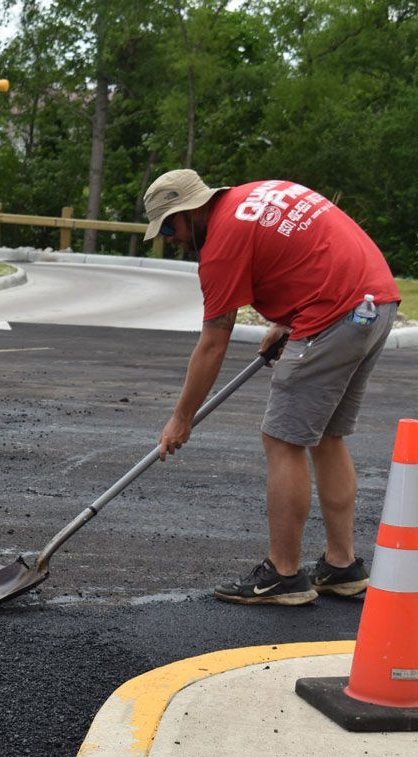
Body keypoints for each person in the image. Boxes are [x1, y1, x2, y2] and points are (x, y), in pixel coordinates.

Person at [143, 170, 401, 605]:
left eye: (170, 226)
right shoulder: (258, 194)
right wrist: (287, 320)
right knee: (327, 436)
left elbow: (212, 344)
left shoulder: (221, 246)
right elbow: (309, 252)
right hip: (376, 303)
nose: (169, 237)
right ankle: (343, 566)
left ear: (193, 210)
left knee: (282, 439)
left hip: (335, 314)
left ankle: (283, 574)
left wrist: (181, 418)